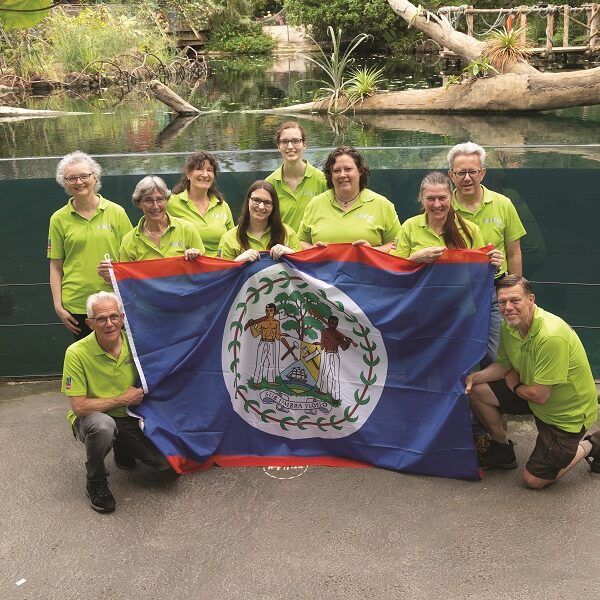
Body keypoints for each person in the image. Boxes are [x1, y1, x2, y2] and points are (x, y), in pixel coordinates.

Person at [466, 276, 600, 489]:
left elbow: (540, 395)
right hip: (530, 393)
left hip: (565, 415)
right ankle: (501, 450)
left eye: (515, 300)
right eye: (502, 302)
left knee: (533, 481)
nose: (508, 307)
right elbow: (503, 366)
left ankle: (592, 444)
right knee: (476, 391)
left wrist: (515, 385)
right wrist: (473, 378)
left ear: (531, 300)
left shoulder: (551, 336)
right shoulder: (508, 325)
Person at [62, 292, 173, 513]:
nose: (109, 323)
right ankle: (96, 481)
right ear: (89, 323)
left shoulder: (137, 343)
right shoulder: (76, 353)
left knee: (165, 465)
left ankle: (123, 446)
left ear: (123, 318)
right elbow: (79, 406)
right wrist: (123, 399)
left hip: (131, 416)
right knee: (103, 427)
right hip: (93, 418)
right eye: (101, 319)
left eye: (114, 316)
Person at [448, 142, 526, 362]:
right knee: (458, 351)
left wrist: (515, 290)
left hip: (495, 290)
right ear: (451, 175)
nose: (467, 178)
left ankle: (498, 394)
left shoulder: (503, 204)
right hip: (457, 292)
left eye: (472, 171)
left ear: (482, 173)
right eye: (461, 172)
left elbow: (514, 253)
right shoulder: (443, 207)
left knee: (496, 353)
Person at [48, 151, 132, 340]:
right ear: (65, 182)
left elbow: (131, 257)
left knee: (122, 357)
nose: (79, 182)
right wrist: (58, 306)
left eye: (84, 176)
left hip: (115, 301)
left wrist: (117, 274)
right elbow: (55, 266)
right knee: (89, 358)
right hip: (77, 304)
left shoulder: (117, 212)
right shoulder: (58, 219)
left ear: (95, 178)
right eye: (72, 178)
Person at [390, 171, 503, 271]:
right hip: (419, 294)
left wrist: (494, 265)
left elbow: (479, 272)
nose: (437, 204)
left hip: (459, 295)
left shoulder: (471, 230)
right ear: (421, 199)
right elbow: (393, 269)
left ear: (451, 197)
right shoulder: (409, 227)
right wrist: (415, 259)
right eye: (430, 198)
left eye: (442, 198)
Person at [97, 176, 203, 281]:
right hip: (146, 298)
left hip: (184, 296)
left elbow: (204, 271)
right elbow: (126, 284)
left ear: (167, 200)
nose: (155, 206)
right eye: (148, 200)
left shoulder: (186, 229)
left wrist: (196, 257)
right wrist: (110, 277)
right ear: (139, 204)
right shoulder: (129, 241)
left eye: (160, 199)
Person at [298, 146, 401, 252]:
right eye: (337, 170)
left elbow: (398, 244)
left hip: (368, 268)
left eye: (348, 169)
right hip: (323, 268)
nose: (342, 175)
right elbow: (299, 242)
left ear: (360, 171)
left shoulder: (382, 204)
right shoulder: (316, 204)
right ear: (330, 175)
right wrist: (312, 250)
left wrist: (373, 251)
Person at [168, 151, 234, 257]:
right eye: (199, 169)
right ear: (188, 174)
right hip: (186, 267)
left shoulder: (223, 206)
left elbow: (233, 240)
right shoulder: (171, 203)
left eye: (209, 170)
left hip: (221, 267)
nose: (205, 174)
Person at [265, 121, 327, 232]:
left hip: (313, 247)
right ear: (278, 146)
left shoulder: (322, 180)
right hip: (281, 247)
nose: (290, 146)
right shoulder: (270, 183)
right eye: (284, 142)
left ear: (305, 144)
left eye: (295, 141)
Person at [218, 180, 300, 262]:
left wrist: (291, 254)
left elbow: (303, 269)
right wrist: (237, 262)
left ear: (273, 206)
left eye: (267, 202)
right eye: (256, 200)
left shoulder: (288, 234)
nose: (261, 207)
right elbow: (223, 273)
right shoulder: (229, 239)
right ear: (248, 201)